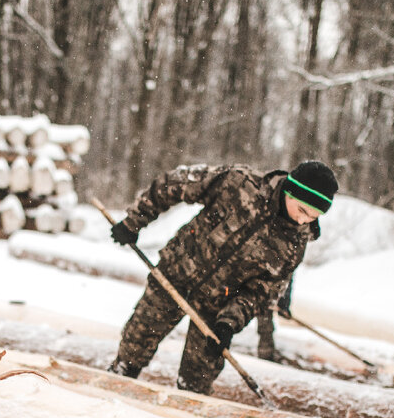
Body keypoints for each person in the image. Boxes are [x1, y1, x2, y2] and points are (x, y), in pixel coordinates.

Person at [107, 160, 337, 393]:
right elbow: (176, 184)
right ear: (290, 190)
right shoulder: (239, 183)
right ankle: (119, 379)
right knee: (134, 346)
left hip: (217, 306)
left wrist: (229, 322)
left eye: (313, 217)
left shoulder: (294, 244)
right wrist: (135, 220)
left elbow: (261, 292)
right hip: (175, 274)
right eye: (303, 211)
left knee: (197, 379)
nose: (303, 221)